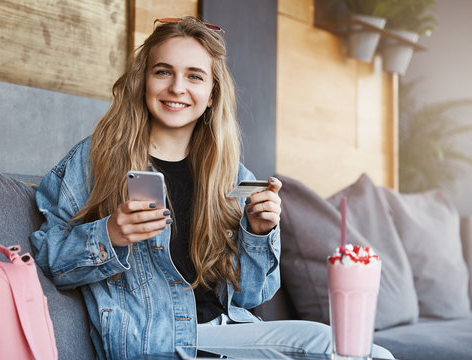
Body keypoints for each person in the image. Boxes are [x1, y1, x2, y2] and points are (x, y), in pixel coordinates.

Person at [30, 16, 393, 360]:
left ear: (212, 94)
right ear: (143, 81)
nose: (177, 88)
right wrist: (110, 234)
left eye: (195, 77)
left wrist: (257, 234)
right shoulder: (96, 159)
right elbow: (49, 259)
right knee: (343, 349)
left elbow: (249, 296)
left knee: (372, 353)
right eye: (163, 72)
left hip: (227, 335)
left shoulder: (230, 174)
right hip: (156, 340)